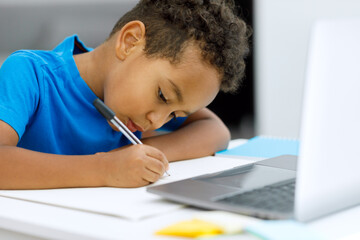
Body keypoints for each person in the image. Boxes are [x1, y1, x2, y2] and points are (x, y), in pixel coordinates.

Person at [0, 0, 250, 189]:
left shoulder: (141, 110)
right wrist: (105, 168)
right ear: (130, 42)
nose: (158, 121)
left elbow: (216, 130)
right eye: (162, 96)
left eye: (175, 114)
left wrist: (146, 155)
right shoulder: (30, 73)